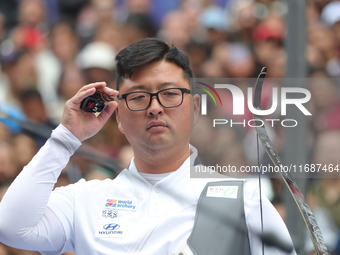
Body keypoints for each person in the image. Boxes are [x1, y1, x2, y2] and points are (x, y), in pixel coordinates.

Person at [0, 38, 295, 254]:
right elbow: (12, 227)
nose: (155, 108)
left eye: (169, 94)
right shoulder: (86, 199)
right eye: (139, 97)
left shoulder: (243, 200)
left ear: (194, 109)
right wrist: (66, 137)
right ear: (118, 116)